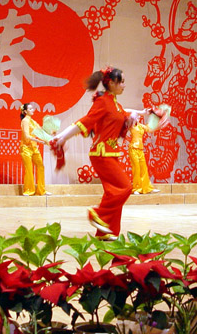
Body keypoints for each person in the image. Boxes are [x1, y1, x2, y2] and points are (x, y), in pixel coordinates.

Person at [51, 67, 149, 241]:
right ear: (111, 83)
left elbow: (121, 113)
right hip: (102, 154)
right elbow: (85, 121)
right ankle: (98, 214)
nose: (124, 85)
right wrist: (63, 137)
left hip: (110, 154)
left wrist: (138, 113)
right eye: (122, 82)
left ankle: (106, 232)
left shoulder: (114, 103)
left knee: (113, 193)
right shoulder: (103, 101)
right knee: (125, 187)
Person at [20, 102, 50, 196]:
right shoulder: (25, 121)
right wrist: (40, 141)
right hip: (26, 148)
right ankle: (29, 190)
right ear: (25, 111)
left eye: (32, 108)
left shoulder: (33, 122)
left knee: (40, 166)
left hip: (34, 148)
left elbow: (40, 132)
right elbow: (26, 136)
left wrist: (49, 139)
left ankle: (41, 190)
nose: (32, 110)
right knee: (29, 169)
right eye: (30, 109)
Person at [128, 118, 160, 195]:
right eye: (136, 116)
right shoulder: (131, 125)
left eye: (139, 117)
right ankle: (136, 188)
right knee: (136, 168)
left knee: (144, 169)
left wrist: (156, 121)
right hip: (133, 149)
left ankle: (147, 188)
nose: (138, 118)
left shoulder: (141, 126)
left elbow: (149, 129)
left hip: (140, 149)